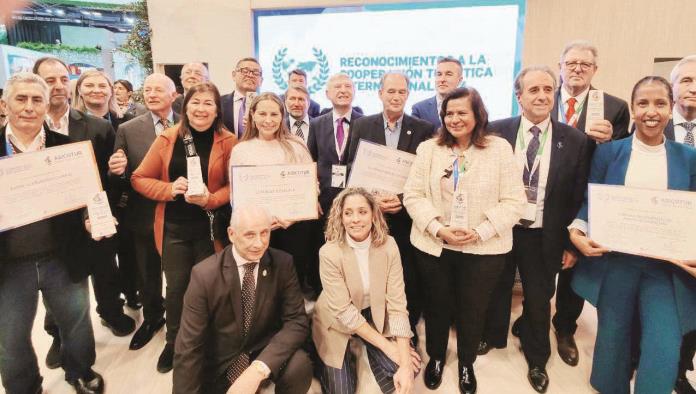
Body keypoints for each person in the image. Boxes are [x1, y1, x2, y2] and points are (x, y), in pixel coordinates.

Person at [569, 75, 696, 394]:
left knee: (664, 343)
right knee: (613, 337)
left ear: (671, 109)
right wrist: (577, 230)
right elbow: (590, 200)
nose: (651, 111)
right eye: (643, 103)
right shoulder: (609, 153)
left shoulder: (688, 157)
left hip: (666, 269)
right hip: (617, 262)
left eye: (659, 103)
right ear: (633, 108)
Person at [403, 87, 525, 393]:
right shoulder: (429, 149)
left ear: (477, 115)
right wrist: (437, 227)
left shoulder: (499, 148)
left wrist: (480, 231)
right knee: (437, 305)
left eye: (462, 113)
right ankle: (437, 358)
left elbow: (514, 201)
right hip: (435, 245)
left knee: (473, 307)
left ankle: (467, 362)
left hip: (484, 248)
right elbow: (413, 195)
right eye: (449, 113)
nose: (454, 119)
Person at [481, 66, 589, 393]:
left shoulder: (575, 141)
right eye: (533, 90)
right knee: (496, 287)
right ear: (519, 96)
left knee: (540, 298)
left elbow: (578, 195)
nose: (542, 96)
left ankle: (538, 358)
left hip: (545, 233)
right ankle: (493, 335)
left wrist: (572, 242)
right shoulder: (495, 132)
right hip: (501, 229)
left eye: (548, 89)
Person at [0, 72, 104, 394]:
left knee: (76, 323)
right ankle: (25, 387)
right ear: (5, 104)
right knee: (10, 336)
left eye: (37, 100)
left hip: (62, 256)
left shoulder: (68, 149)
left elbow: (89, 199)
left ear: (47, 106)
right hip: (9, 264)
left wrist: (92, 220)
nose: (29, 107)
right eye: (21, 99)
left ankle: (80, 371)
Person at [33, 56, 136, 369]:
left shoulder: (96, 126)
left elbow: (111, 176)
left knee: (104, 266)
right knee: (58, 280)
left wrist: (117, 176)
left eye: (64, 79)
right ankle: (58, 335)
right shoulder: (27, 127)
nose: (58, 86)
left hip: (94, 214)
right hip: (49, 222)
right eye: (49, 80)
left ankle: (111, 311)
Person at [131, 81, 237, 373]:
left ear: (217, 110)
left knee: (210, 289)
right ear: (185, 106)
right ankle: (173, 343)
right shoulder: (167, 138)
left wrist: (212, 198)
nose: (201, 109)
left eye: (208, 103)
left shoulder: (228, 141)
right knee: (177, 289)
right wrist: (169, 189)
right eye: (196, 103)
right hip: (174, 230)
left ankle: (208, 341)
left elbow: (235, 184)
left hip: (210, 229)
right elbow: (139, 178)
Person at [550, 41, 631, 366]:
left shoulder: (614, 106)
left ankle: (565, 326)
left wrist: (610, 140)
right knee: (539, 263)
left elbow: (625, 157)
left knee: (575, 265)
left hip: (586, 199)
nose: (577, 69)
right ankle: (532, 317)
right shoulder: (543, 97)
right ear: (560, 67)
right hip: (544, 197)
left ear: (595, 70)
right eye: (570, 63)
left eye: (585, 64)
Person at [174, 204, 312, 394]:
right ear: (231, 234)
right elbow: (189, 346)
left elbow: (297, 322)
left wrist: (257, 370)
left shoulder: (283, 263)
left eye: (264, 233)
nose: (259, 243)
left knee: (300, 365)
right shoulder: (204, 275)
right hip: (221, 361)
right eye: (249, 235)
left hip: (262, 351)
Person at [344, 71, 435, 348]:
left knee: (407, 272)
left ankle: (406, 325)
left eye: (401, 92)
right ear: (380, 93)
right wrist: (370, 198)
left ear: (408, 95)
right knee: (372, 268)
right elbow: (351, 168)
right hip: (372, 216)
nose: (396, 97)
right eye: (390, 91)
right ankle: (374, 320)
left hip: (405, 215)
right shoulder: (362, 125)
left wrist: (401, 197)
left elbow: (426, 175)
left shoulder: (422, 129)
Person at [313, 188, 420, 394]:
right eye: (348, 213)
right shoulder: (328, 253)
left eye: (362, 211)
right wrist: (389, 348)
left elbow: (398, 304)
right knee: (341, 391)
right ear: (340, 217)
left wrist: (404, 363)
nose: (355, 219)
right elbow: (345, 312)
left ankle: (373, 345)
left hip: (374, 310)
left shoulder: (389, 245)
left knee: (410, 369)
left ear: (373, 214)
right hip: (338, 318)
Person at [108, 73, 180, 351]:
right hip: (144, 214)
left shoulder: (189, 125)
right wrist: (117, 171)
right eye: (147, 89)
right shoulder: (128, 129)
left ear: (173, 95)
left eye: (158, 89)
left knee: (179, 277)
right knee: (148, 274)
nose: (151, 94)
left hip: (181, 213)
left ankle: (180, 325)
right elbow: (118, 176)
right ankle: (152, 318)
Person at [229, 92, 317, 294]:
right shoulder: (241, 150)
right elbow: (236, 195)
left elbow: (310, 188)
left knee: (292, 281)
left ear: (282, 116)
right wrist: (260, 222)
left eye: (274, 114)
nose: (268, 120)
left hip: (293, 228)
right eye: (262, 114)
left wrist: (292, 217)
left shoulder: (296, 145)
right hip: (256, 231)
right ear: (252, 115)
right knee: (262, 284)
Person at [308, 73, 364, 293]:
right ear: (327, 94)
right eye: (337, 86)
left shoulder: (366, 122)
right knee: (327, 248)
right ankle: (326, 292)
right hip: (326, 199)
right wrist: (312, 196)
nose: (343, 90)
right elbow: (311, 162)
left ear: (354, 91)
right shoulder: (316, 124)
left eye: (348, 86)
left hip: (356, 199)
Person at [669, 55, 696, 394]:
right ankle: (636, 355)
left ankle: (679, 369)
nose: (694, 87)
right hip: (654, 234)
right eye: (687, 79)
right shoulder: (647, 123)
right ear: (673, 87)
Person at [411, 57, 463, 129]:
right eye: (439, 74)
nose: (442, 79)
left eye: (448, 74)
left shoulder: (470, 107)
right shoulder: (419, 109)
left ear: (459, 80)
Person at [221, 57, 263, 138]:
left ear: (261, 80)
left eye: (256, 72)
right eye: (245, 71)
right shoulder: (219, 102)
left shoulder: (267, 105)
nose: (250, 75)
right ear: (234, 75)